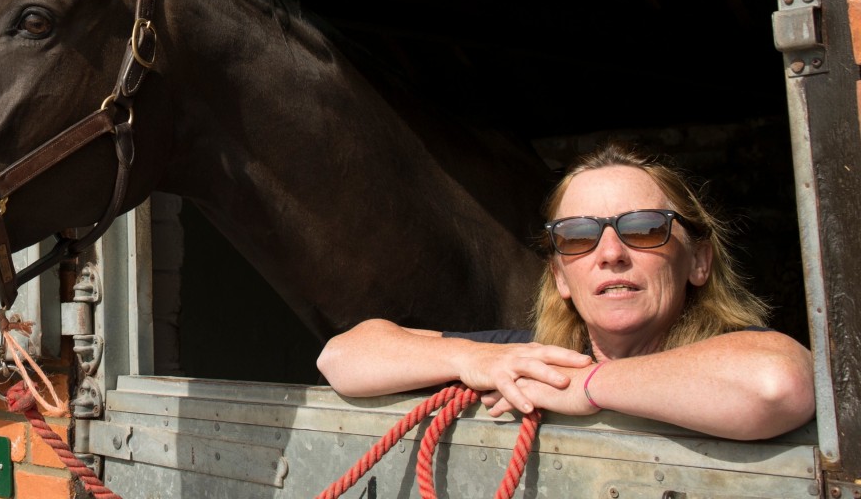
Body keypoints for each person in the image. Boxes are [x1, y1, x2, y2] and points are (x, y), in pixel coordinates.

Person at [317, 143, 815, 441]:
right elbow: (343, 356)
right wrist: (475, 358)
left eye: (643, 228)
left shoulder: (731, 356)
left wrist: (587, 386)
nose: (611, 252)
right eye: (577, 236)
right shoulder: (531, 361)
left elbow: (777, 383)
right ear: (559, 276)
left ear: (699, 261)